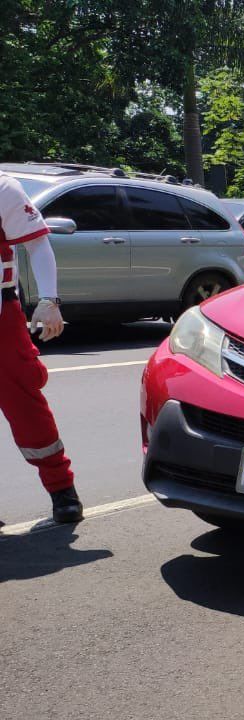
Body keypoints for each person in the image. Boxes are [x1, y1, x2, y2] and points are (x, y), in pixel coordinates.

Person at [0, 171, 79, 523]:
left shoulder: (2, 187)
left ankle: (62, 490)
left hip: (1, 318)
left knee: (25, 403)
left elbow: (37, 244)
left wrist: (49, 299)